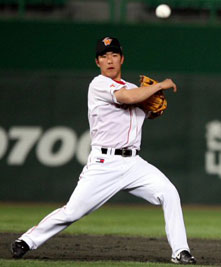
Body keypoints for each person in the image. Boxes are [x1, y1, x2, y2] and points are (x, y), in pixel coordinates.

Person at [10, 36, 196, 264]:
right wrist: (159, 85)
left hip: (134, 163)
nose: (109, 60)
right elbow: (127, 98)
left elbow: (145, 109)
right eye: (103, 56)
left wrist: (153, 110)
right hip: (104, 163)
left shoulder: (134, 89)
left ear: (122, 59)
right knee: (73, 212)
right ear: (97, 62)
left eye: (114, 55)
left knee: (169, 193)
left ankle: (181, 251)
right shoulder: (98, 84)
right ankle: (27, 241)